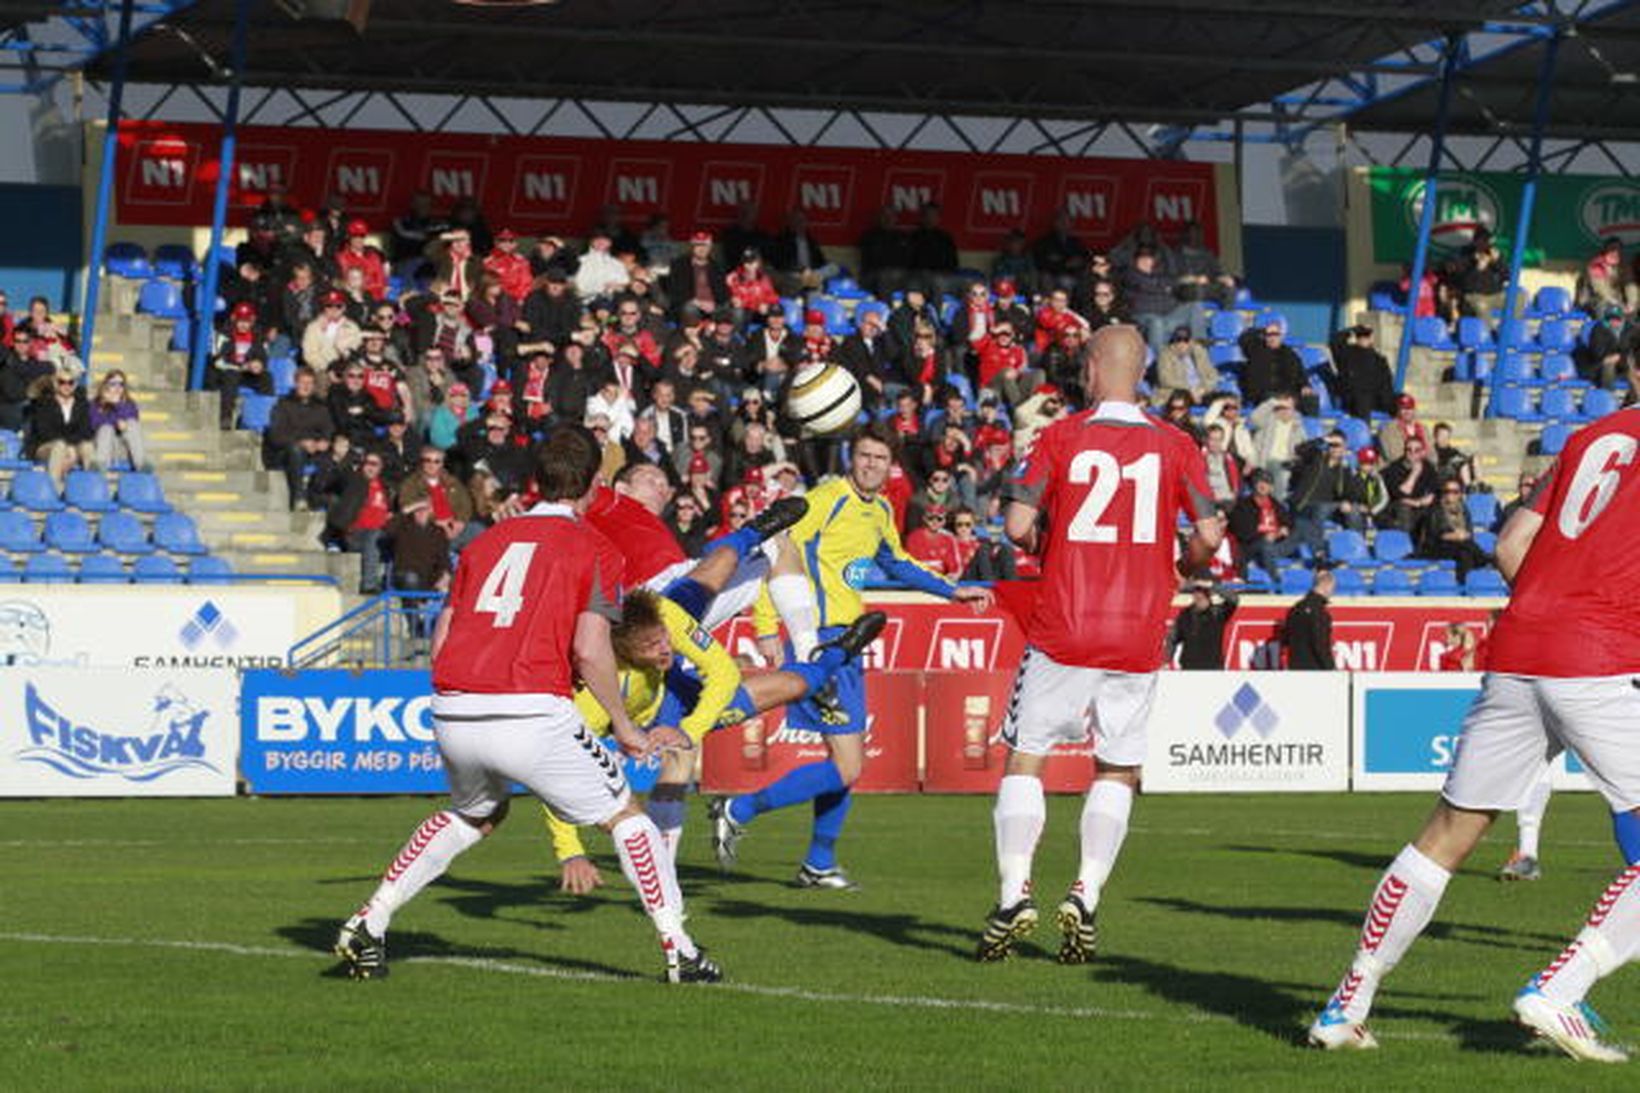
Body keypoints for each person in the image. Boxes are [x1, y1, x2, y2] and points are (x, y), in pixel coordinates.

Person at [1308, 409, 1640, 1061]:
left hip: (1520, 642)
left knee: (1447, 834)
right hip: (1600, 653)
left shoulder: (1587, 437)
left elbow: (1511, 546)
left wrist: (1557, 613)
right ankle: (1561, 990)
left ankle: (1346, 1004)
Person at [334, 427, 721, 985]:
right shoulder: (596, 549)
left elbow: (444, 635)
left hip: (456, 704)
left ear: (536, 480)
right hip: (529, 710)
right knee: (625, 817)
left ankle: (370, 921)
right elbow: (591, 650)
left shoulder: (483, 543)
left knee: (476, 814)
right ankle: (680, 950)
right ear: (593, 485)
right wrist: (624, 725)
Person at [976, 325, 1221, 963]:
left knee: (1027, 756)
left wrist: (1042, 545)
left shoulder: (1061, 434)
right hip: (1138, 627)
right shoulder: (1177, 444)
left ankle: (1013, 893)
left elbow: (1017, 523)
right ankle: (1084, 894)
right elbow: (1212, 534)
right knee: (1117, 767)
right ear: (1141, 373)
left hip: (1065, 620)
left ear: (1090, 367)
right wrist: (1182, 563)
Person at [711, 423, 994, 889]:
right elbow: (774, 546)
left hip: (847, 644)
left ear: (891, 466)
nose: (870, 464)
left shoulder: (881, 509)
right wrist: (765, 624)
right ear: (851, 458)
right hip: (817, 642)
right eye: (863, 455)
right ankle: (738, 808)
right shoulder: (827, 499)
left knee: (846, 760)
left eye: (879, 458)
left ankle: (818, 863)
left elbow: (897, 563)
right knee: (848, 764)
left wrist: (951, 591)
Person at [541, 591, 887, 892]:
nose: (665, 647)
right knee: (634, 806)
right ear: (623, 650)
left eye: (664, 638)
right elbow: (556, 769)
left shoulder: (664, 612)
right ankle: (663, 878)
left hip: (681, 698)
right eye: (651, 646)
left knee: (793, 685)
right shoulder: (597, 697)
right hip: (644, 723)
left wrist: (690, 730)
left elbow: (723, 671)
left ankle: (836, 654)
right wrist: (570, 851)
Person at [28, 360, 95, 488]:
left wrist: (71, 449)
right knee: (59, 446)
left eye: (70, 382)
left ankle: (90, 489)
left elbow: (86, 431)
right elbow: (44, 432)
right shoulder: (44, 403)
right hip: (45, 446)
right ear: (55, 383)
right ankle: (53, 489)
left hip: (72, 446)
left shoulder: (82, 404)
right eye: (62, 382)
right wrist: (68, 446)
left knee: (87, 446)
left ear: (75, 384)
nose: (66, 386)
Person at [1329, 325, 1397, 419]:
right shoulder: (1346, 353)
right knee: (1362, 399)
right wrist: (1352, 330)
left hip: (1375, 398)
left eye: (1367, 336)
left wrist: (1389, 401)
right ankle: (1363, 431)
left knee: (1401, 401)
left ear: (1371, 339)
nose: (1364, 339)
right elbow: (1335, 341)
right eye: (1360, 336)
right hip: (1354, 399)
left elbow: (1386, 384)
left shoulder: (1379, 360)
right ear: (1356, 338)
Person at [1169, 582, 1238, 670]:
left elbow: (1234, 599)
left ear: (1209, 597)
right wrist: (1166, 661)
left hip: (1213, 668)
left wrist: (1212, 585)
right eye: (1196, 596)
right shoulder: (1185, 615)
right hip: (1189, 668)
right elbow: (1172, 638)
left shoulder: (1218, 612)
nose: (1199, 599)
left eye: (1202, 597)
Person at [89, 369, 146, 471]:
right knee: (106, 428)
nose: (117, 387)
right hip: (102, 447)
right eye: (113, 384)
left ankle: (140, 464)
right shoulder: (95, 404)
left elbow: (131, 422)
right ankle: (100, 468)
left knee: (132, 423)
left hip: (123, 449)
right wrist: (114, 420)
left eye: (121, 384)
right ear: (106, 385)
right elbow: (93, 424)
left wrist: (117, 405)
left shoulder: (130, 404)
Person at [1284, 567, 1336, 670]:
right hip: (1314, 670)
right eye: (1332, 588)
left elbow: (1287, 638)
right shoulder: (1320, 612)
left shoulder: (1296, 608)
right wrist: (1331, 668)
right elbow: (1321, 644)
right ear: (1327, 585)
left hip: (1295, 667)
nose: (1332, 593)